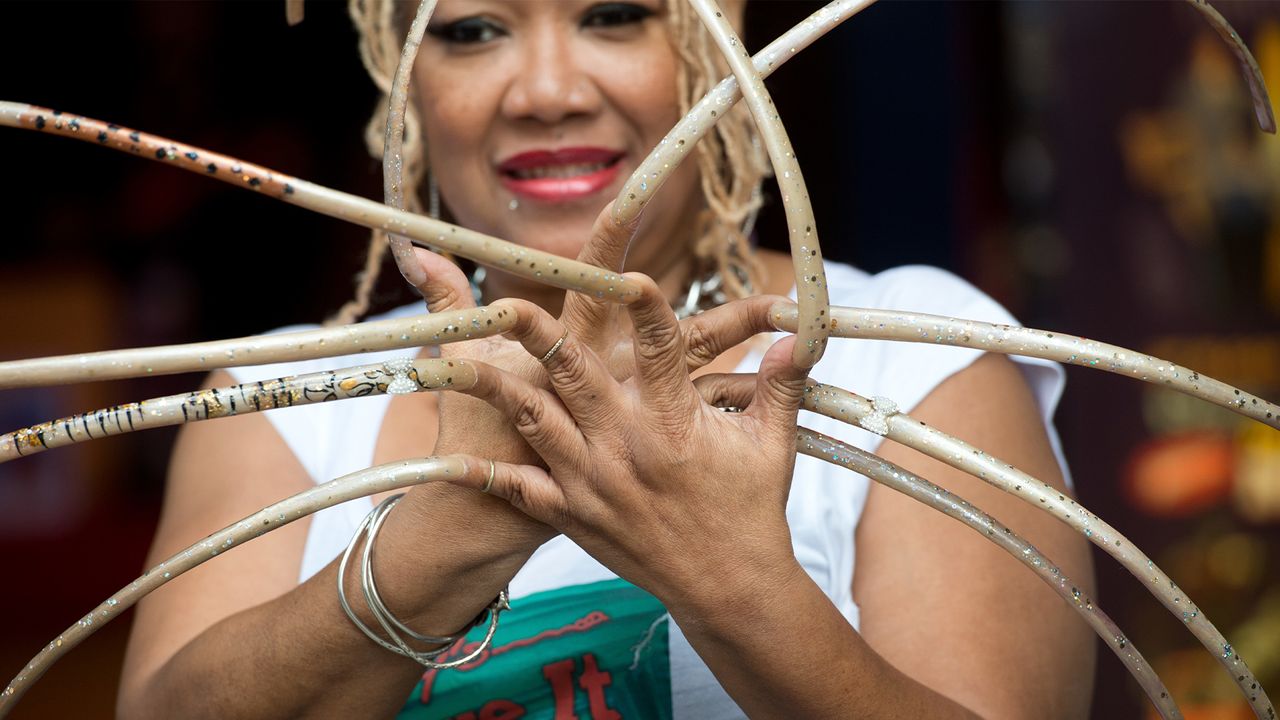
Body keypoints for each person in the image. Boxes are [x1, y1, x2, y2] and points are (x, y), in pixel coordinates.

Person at [118, 1, 1096, 718]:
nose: (546, 92)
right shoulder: (283, 404)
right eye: (471, 30)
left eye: (616, 15)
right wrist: (439, 543)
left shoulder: (901, 360)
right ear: (400, 69)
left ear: (715, 40)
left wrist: (725, 578)